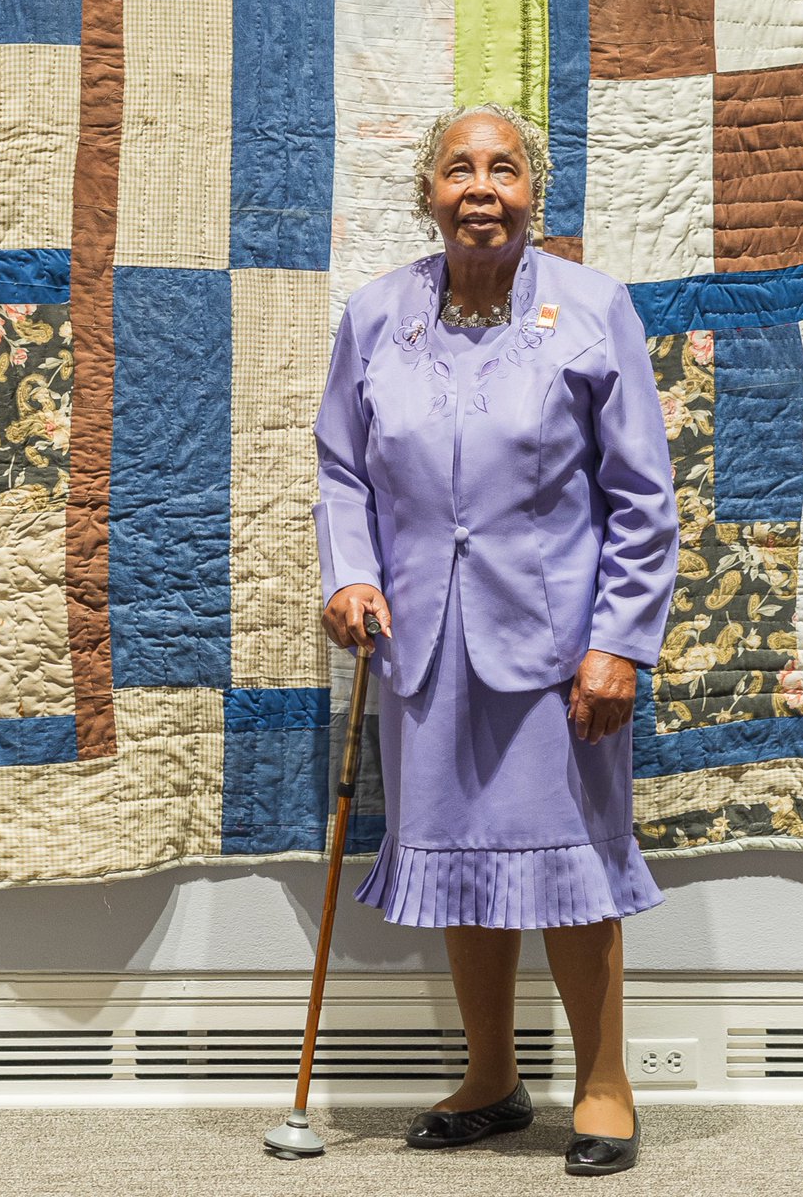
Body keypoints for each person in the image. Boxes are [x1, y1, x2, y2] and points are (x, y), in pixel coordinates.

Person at [312, 103, 679, 1177]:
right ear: (425, 191)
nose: (481, 188)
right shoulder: (376, 314)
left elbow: (643, 497)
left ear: (534, 193)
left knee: (573, 867)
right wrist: (352, 573)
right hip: (420, 643)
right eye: (459, 170)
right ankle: (492, 1077)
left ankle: (602, 1086)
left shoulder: (593, 307)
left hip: (560, 647)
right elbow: (342, 466)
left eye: (503, 170)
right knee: (460, 862)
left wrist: (620, 640)